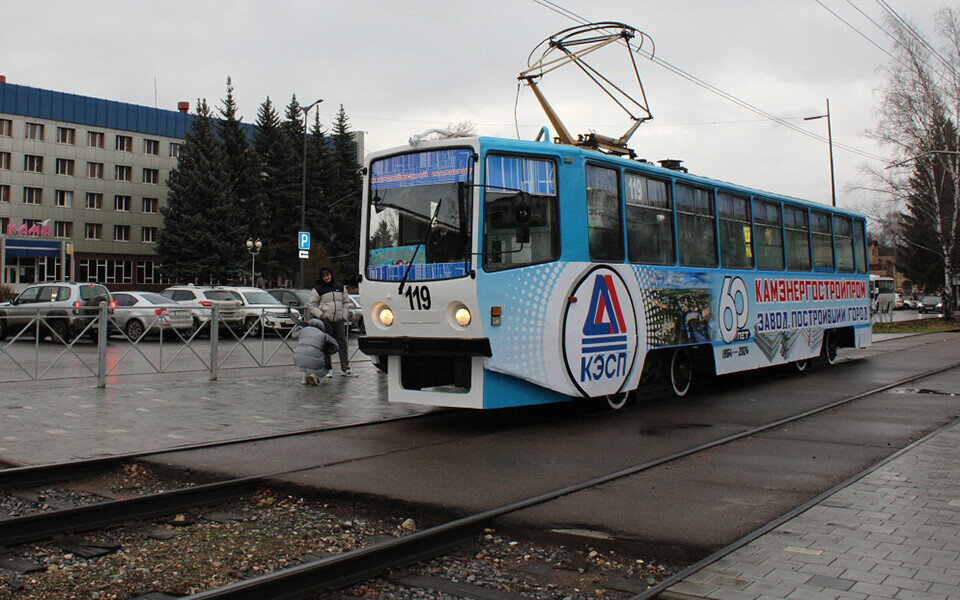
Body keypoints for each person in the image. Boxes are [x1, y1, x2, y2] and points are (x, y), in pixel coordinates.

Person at [308, 268, 356, 377]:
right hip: (326, 320)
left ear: (331, 275)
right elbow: (312, 305)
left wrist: (344, 316)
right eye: (324, 276)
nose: (326, 278)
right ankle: (327, 369)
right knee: (326, 344)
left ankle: (345, 368)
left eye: (328, 275)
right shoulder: (318, 289)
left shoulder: (340, 287)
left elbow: (346, 302)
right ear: (321, 277)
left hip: (339, 321)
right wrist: (322, 315)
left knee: (342, 344)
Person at [291, 317, 338, 385]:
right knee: (323, 370)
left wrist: (299, 327)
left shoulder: (304, 330)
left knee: (306, 365)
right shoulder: (323, 335)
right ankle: (316, 376)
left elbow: (294, 335)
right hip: (315, 357)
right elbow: (335, 346)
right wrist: (329, 352)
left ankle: (305, 377)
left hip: (297, 357)